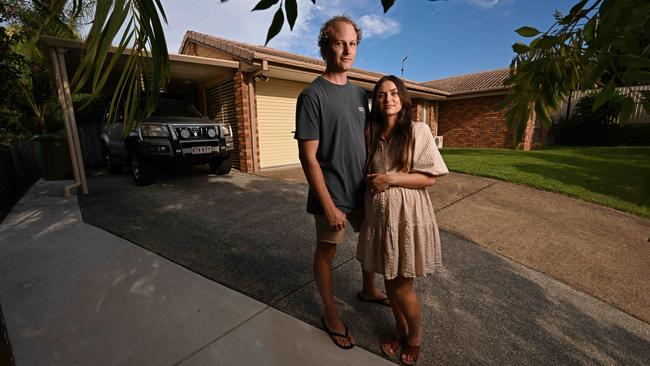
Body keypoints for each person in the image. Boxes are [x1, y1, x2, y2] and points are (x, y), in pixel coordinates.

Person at [294, 15, 388, 350]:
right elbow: (308, 159)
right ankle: (330, 314)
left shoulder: (361, 95)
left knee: (370, 243)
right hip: (331, 194)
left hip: (362, 191)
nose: (347, 50)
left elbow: (371, 139)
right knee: (327, 252)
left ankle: (368, 289)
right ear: (325, 46)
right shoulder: (312, 96)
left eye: (353, 43)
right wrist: (329, 205)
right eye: (339, 43)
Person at [357, 75, 448, 365]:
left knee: (400, 286)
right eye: (382, 95)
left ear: (403, 97)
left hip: (408, 215)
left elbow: (430, 178)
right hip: (380, 217)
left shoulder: (417, 130)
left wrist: (390, 179)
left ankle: (415, 337)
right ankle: (398, 327)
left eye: (394, 93)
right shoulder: (371, 131)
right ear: (376, 100)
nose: (388, 99)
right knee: (388, 277)